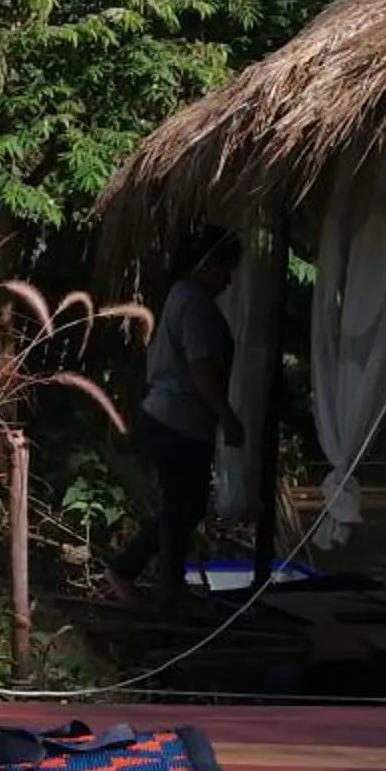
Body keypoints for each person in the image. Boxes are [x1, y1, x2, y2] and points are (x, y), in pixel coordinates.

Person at [102, 231, 243, 608]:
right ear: (209, 266)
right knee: (185, 505)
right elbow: (201, 371)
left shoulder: (180, 295)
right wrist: (227, 416)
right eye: (225, 270)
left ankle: (166, 583)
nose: (228, 280)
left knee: (181, 505)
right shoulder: (196, 303)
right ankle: (135, 573)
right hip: (179, 419)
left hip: (167, 416)